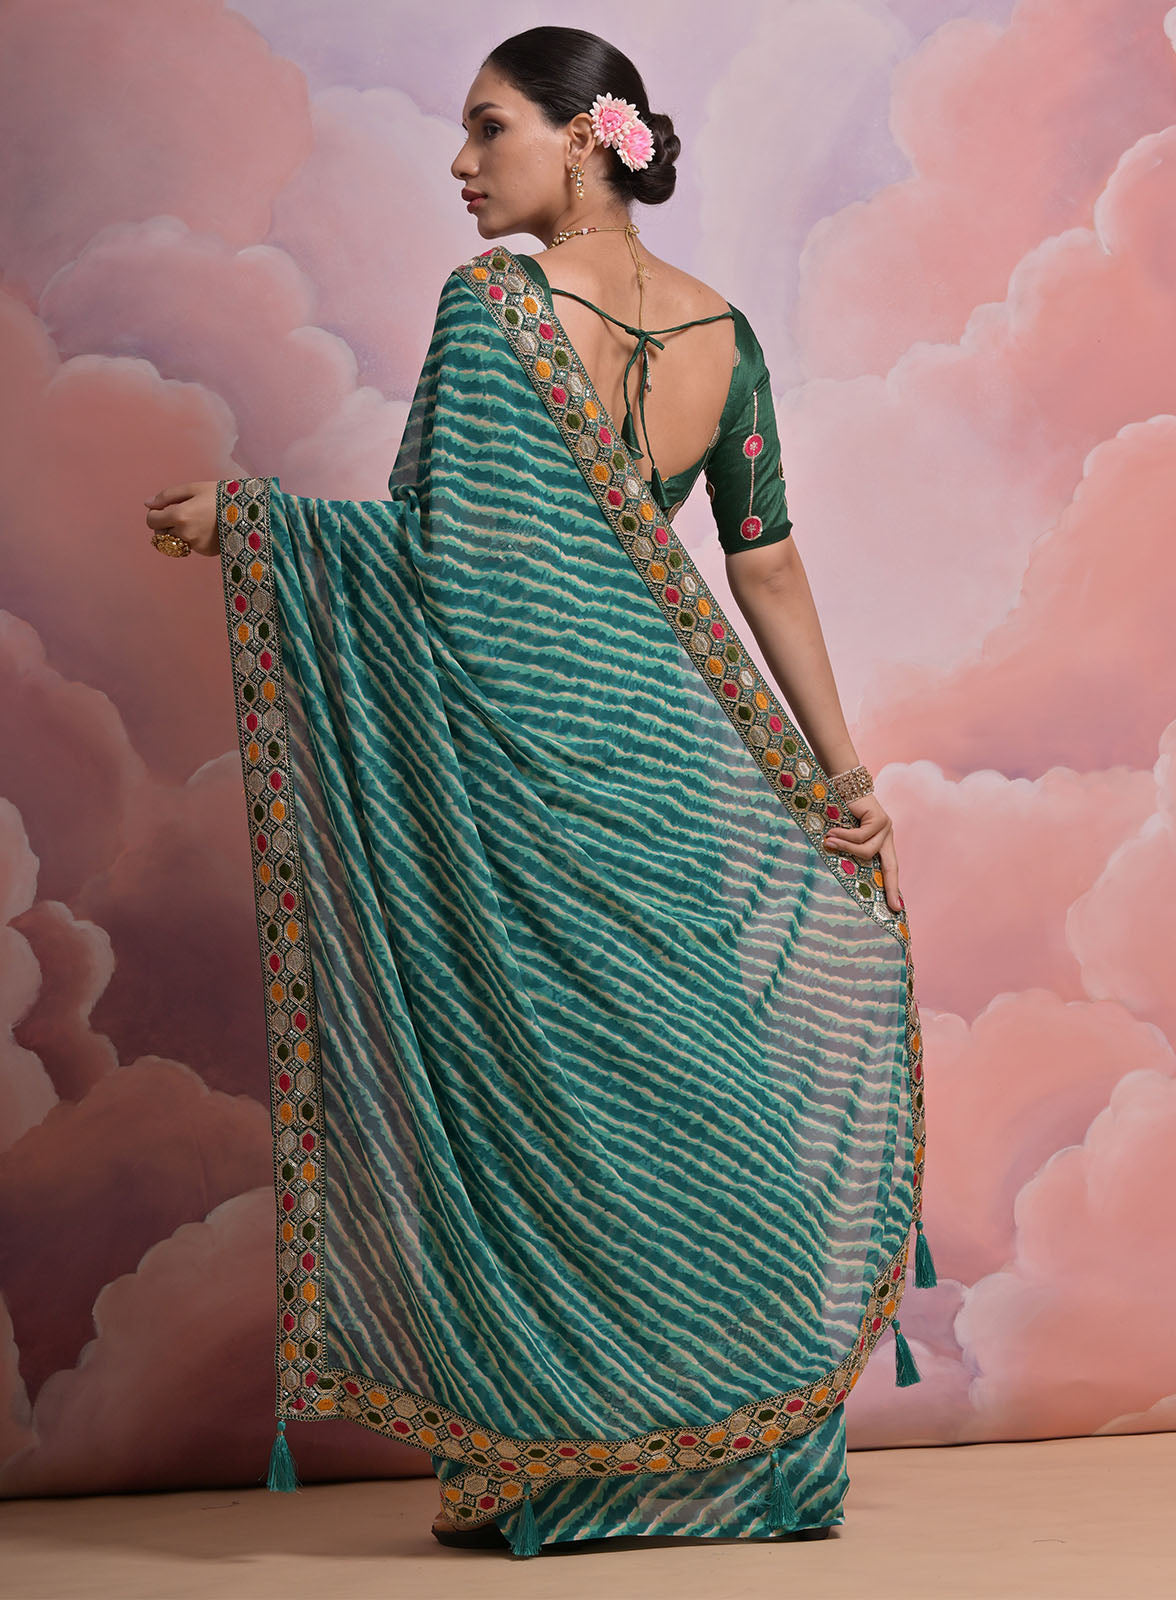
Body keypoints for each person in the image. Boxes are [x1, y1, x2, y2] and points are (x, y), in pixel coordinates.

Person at [144, 25, 936, 1560]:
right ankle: (756, 1463)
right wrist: (843, 777)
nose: (461, 163)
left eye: (488, 127)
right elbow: (764, 562)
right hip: (664, 767)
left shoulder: (492, 309)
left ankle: (567, 1461)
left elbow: (433, 560)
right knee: (693, 1090)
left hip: (525, 768)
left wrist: (253, 524)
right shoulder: (725, 335)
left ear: (585, 137)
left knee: (562, 1103)